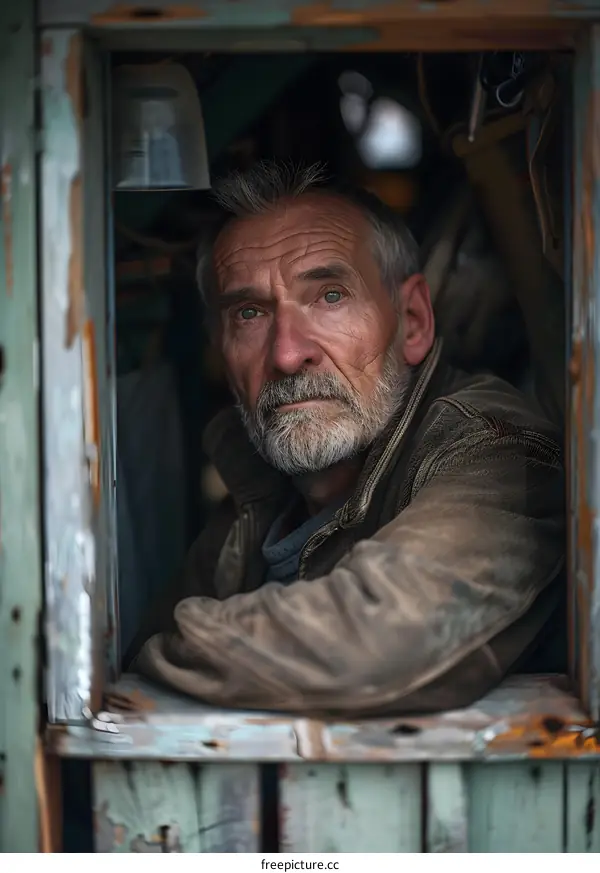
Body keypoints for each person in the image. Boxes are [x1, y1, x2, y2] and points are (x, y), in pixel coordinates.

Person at [126, 160, 565, 717]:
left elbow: (374, 644)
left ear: (412, 322)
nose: (287, 354)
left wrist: (156, 653)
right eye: (250, 313)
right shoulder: (260, 490)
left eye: (330, 296)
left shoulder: (498, 448)